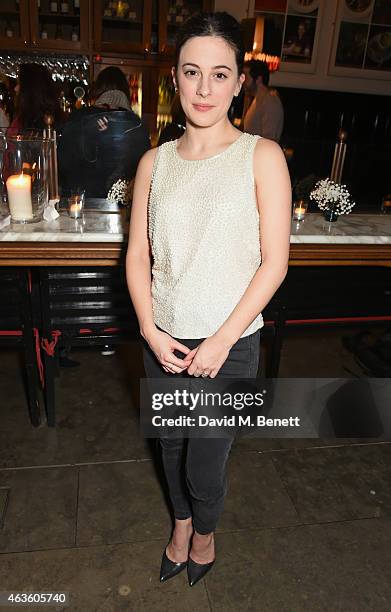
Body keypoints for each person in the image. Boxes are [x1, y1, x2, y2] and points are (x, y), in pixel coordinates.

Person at [125, 11, 291, 586]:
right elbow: (138, 258)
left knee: (206, 463)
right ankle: (179, 524)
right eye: (192, 72)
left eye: (219, 74)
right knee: (169, 447)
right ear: (174, 77)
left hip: (233, 344)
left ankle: (205, 530)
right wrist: (149, 330)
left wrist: (221, 340)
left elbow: (276, 262)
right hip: (164, 340)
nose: (204, 88)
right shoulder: (153, 162)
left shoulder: (262, 156)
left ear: (240, 81)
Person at [58, 66, 150, 198]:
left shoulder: (79, 118)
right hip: (122, 208)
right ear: (125, 90)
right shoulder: (136, 124)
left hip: (80, 206)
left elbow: (63, 165)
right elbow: (143, 173)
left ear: (97, 89)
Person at [9, 63, 62, 133]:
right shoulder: (28, 117)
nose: (15, 88)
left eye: (19, 84)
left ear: (31, 89)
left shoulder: (41, 122)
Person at [242, 59, 284, 142]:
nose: (243, 82)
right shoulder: (256, 100)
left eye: (246, 78)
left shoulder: (270, 100)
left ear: (258, 79)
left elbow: (270, 140)